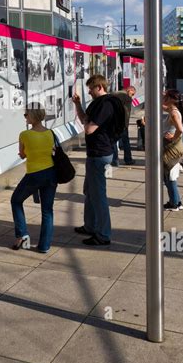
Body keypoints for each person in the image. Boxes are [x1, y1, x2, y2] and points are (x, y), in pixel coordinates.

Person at [72, 74, 116, 246]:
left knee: (98, 196)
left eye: (91, 88)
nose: (89, 92)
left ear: (99, 87)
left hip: (100, 155)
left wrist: (87, 122)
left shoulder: (105, 105)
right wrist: (77, 105)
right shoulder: (96, 104)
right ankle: (90, 225)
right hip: (94, 154)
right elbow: (84, 119)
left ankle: (104, 234)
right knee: (89, 192)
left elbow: (89, 129)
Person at [11, 107, 57, 254]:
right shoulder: (51, 133)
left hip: (34, 175)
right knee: (47, 210)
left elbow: (23, 155)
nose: (25, 117)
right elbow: (53, 151)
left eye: (26, 115)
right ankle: (44, 246)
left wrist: (25, 152)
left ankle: (22, 235)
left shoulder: (24, 135)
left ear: (32, 117)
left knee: (16, 200)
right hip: (51, 173)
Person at [163, 89, 183, 211]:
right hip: (171, 147)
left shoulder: (174, 113)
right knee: (169, 176)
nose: (164, 98)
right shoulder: (172, 109)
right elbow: (160, 106)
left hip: (171, 148)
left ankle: (175, 203)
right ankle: (176, 201)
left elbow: (180, 129)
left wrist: (173, 138)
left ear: (171, 99)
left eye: (166, 96)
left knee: (169, 177)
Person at [112, 85, 136, 166]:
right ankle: (128, 160)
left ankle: (114, 161)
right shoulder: (126, 97)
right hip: (122, 124)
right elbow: (126, 113)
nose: (132, 96)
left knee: (114, 141)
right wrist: (126, 125)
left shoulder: (115, 94)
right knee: (125, 142)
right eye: (133, 94)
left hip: (114, 122)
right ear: (129, 90)